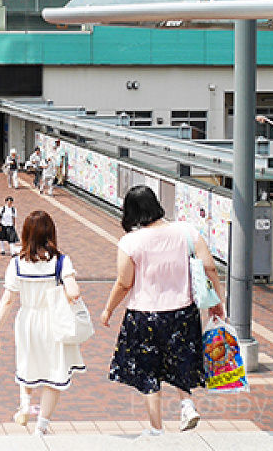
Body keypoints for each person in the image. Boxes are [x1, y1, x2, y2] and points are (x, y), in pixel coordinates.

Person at [99, 185, 224, 437]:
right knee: (181, 360)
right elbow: (209, 267)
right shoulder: (186, 231)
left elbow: (124, 283)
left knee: (148, 372)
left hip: (144, 315)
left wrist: (108, 310)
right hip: (183, 311)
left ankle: (157, 429)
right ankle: (187, 405)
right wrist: (217, 302)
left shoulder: (130, 242)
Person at [0, 210, 85, 436]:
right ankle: (41, 426)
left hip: (27, 319)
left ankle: (24, 404)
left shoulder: (17, 264)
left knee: (27, 362)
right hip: (53, 321)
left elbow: (8, 299)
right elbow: (73, 290)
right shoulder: (61, 261)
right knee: (54, 374)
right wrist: (71, 289)